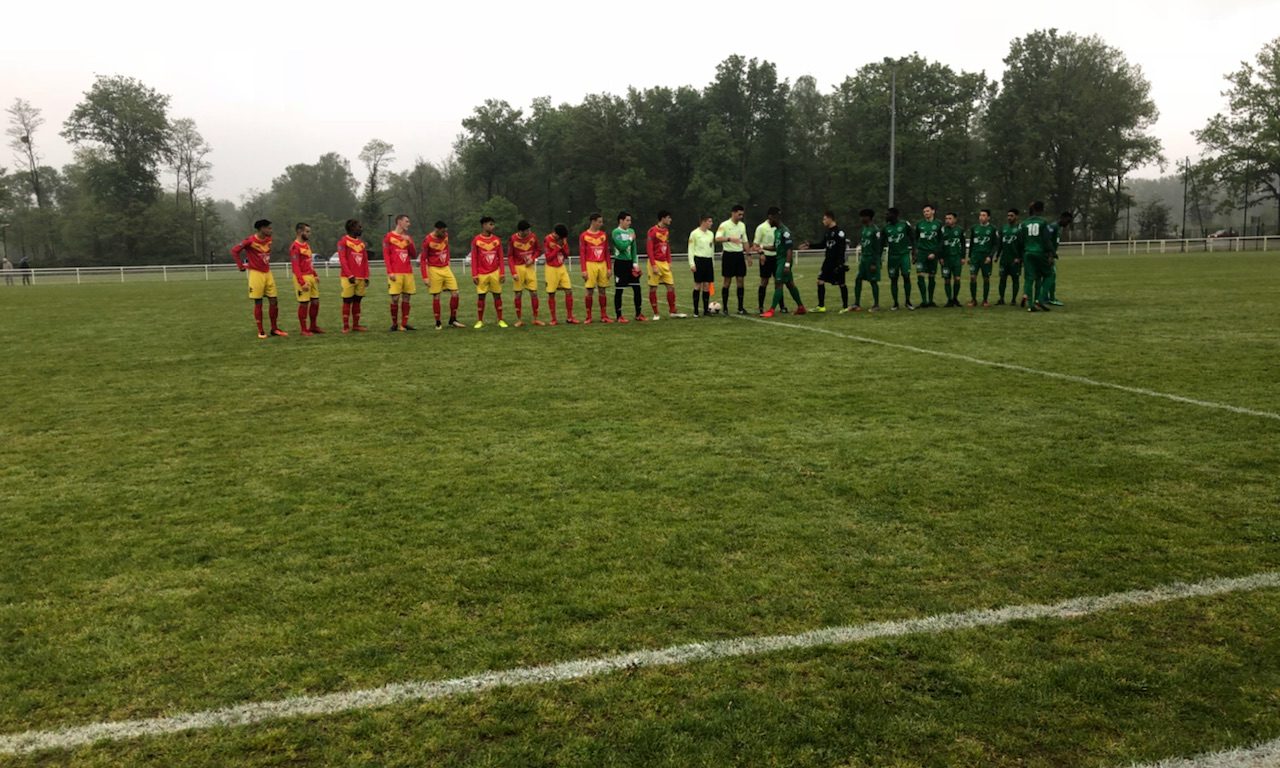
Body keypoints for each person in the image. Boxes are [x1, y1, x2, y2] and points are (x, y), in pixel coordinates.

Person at [231, 218, 286, 338]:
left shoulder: (269, 240)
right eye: (269, 228)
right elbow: (234, 251)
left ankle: (274, 329)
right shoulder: (249, 241)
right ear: (262, 229)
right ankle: (261, 331)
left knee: (274, 300)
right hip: (256, 274)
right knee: (258, 302)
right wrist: (240, 266)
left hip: (268, 273)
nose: (271, 230)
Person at [802, 210, 849, 312]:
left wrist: (840, 264)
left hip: (836, 262)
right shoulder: (827, 232)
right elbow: (822, 244)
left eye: (824, 219)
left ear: (830, 218)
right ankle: (821, 306)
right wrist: (810, 245)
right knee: (820, 281)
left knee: (841, 283)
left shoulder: (839, 232)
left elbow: (842, 249)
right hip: (827, 262)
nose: (823, 221)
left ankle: (845, 307)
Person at [760, 217, 807, 318]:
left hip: (784, 261)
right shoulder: (776, 231)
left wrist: (787, 264)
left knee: (778, 284)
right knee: (790, 284)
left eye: (770, 219)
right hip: (779, 260)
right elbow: (775, 247)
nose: (769, 222)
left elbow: (789, 249)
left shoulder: (785, 232)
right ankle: (801, 307)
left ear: (774, 217)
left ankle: (771, 310)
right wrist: (762, 247)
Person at [422, 221, 465, 329]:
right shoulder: (428, 240)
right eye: (443, 231)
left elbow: (446, 248)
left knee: (455, 293)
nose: (445, 233)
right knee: (437, 295)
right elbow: (423, 259)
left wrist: (448, 260)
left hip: (446, 268)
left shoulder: (445, 236)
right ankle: (438, 322)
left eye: (446, 231)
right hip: (434, 269)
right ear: (436, 229)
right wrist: (425, 277)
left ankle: (453, 320)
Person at [471, 216, 508, 329]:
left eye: (493, 224)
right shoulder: (476, 240)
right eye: (490, 224)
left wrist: (502, 272)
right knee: (481, 297)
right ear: (484, 225)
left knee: (497, 296)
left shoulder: (497, 240)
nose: (492, 226)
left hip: (495, 272)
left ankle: (500, 320)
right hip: (481, 273)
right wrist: (474, 274)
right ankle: (480, 321)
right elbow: (474, 258)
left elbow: (501, 257)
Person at [646, 210, 682, 319]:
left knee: (671, 287)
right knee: (653, 288)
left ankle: (672, 311)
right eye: (668, 218)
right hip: (655, 262)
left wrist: (669, 261)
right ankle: (656, 313)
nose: (670, 220)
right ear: (663, 218)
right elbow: (649, 249)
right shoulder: (652, 231)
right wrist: (653, 265)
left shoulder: (666, 231)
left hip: (664, 263)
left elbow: (667, 247)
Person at [508, 219, 544, 327]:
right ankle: (519, 320)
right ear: (521, 231)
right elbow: (510, 256)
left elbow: (538, 250)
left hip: (530, 268)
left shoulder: (533, 237)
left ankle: (535, 319)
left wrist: (532, 258)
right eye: (527, 230)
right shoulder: (513, 239)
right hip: (518, 268)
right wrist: (513, 272)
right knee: (518, 294)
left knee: (534, 293)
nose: (529, 231)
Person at [383, 214, 417, 331]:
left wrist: (410, 242)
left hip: (408, 272)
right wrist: (390, 272)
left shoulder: (408, 238)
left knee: (407, 297)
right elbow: (386, 256)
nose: (409, 224)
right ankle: (394, 324)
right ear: (399, 222)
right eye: (407, 221)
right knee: (395, 298)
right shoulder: (389, 237)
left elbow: (413, 254)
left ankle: (404, 323)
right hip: (395, 272)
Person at [611, 211, 646, 323]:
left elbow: (634, 249)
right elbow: (621, 247)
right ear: (621, 220)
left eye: (630, 220)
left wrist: (635, 263)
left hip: (630, 264)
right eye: (627, 220)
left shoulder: (631, 231)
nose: (629, 223)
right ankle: (619, 315)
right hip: (620, 264)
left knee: (637, 288)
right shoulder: (616, 232)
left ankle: (638, 314)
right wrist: (630, 239)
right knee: (619, 290)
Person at [289, 222, 324, 335]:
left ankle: (313, 326)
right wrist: (301, 282)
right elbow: (296, 266)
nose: (309, 234)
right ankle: (303, 329)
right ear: (300, 232)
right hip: (302, 277)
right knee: (304, 303)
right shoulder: (295, 247)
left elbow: (309, 262)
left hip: (310, 276)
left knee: (315, 302)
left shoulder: (307, 245)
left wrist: (315, 274)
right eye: (307, 231)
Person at [1019, 201, 1054, 312]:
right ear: (1041, 210)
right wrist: (1051, 253)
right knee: (1049, 275)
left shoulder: (1023, 223)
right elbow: (1046, 240)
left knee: (1029, 279)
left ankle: (1030, 305)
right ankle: (1040, 300)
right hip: (1039, 252)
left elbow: (1020, 240)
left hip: (1027, 253)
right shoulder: (1043, 222)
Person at [337, 219, 371, 332]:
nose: (361, 229)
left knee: (357, 300)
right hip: (348, 277)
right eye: (359, 227)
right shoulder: (343, 241)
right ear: (352, 228)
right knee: (347, 300)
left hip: (361, 277)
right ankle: (346, 326)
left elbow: (365, 261)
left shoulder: (361, 244)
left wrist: (366, 276)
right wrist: (349, 275)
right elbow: (342, 259)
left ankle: (356, 325)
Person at [715, 204, 750, 315]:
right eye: (739, 214)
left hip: (739, 255)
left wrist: (748, 255)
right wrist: (730, 239)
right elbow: (717, 238)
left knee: (740, 281)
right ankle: (725, 308)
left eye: (742, 215)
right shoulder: (724, 225)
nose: (741, 217)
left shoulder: (742, 226)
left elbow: (745, 241)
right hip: (728, 256)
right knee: (727, 282)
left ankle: (740, 307)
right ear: (733, 213)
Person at [753, 208, 788, 314]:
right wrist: (761, 253)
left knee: (778, 281)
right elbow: (755, 245)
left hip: (777, 258)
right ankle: (760, 307)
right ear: (770, 216)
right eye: (776, 215)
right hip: (766, 258)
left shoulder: (779, 228)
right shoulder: (761, 228)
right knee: (764, 281)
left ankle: (782, 306)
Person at [579, 213, 612, 324]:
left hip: (602, 264)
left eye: (601, 222)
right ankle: (589, 316)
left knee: (603, 290)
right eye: (599, 221)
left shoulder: (603, 235)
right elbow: (582, 253)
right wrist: (584, 269)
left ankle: (604, 315)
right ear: (593, 221)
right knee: (589, 291)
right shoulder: (584, 235)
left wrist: (609, 267)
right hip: (590, 264)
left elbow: (607, 252)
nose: (601, 224)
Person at [543, 224, 579, 325]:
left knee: (569, 291)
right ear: (556, 234)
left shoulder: (563, 239)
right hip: (551, 268)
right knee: (551, 293)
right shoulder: (547, 239)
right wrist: (557, 248)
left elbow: (567, 255)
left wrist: (562, 247)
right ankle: (553, 319)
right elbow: (548, 257)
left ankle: (570, 317)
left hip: (561, 267)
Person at [882, 207, 915, 311]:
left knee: (906, 276)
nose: (886, 216)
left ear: (895, 215)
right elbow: (880, 244)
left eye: (888, 214)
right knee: (893, 279)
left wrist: (915, 251)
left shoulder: (905, 224)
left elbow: (913, 238)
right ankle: (895, 303)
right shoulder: (885, 228)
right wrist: (878, 258)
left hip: (904, 255)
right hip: (892, 257)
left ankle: (908, 301)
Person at [851, 208, 882, 312]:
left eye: (863, 217)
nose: (861, 219)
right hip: (864, 259)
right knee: (858, 279)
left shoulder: (875, 230)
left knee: (873, 281)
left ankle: (876, 305)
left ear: (868, 217)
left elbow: (878, 248)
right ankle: (856, 303)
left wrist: (874, 263)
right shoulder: (864, 229)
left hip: (872, 259)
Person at [967, 209, 998, 307]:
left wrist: (990, 256)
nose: (981, 217)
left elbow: (995, 245)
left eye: (984, 215)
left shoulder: (993, 229)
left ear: (988, 217)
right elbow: (971, 243)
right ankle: (973, 300)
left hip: (986, 258)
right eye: (980, 215)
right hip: (975, 257)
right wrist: (969, 256)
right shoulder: (974, 228)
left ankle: (985, 300)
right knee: (972, 277)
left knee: (986, 278)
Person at [914, 204, 942, 307]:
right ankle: (924, 301)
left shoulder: (938, 224)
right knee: (920, 275)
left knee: (931, 276)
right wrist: (916, 251)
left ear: (933, 211)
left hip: (933, 254)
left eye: (928, 211)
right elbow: (915, 239)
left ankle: (931, 301)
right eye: (924, 212)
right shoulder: (919, 224)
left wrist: (935, 253)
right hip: (921, 254)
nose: (926, 213)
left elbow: (941, 241)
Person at [688, 215, 716, 317]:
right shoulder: (694, 233)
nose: (711, 223)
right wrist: (692, 263)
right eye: (709, 221)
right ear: (703, 222)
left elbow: (712, 249)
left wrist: (712, 262)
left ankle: (706, 310)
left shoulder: (711, 234)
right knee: (697, 285)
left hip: (708, 261)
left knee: (707, 286)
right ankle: (695, 310)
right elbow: (690, 249)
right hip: (698, 260)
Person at [1042, 211, 1072, 307]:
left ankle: (1046, 297)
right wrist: (1050, 255)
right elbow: (1047, 240)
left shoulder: (1058, 228)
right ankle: (1050, 298)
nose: (1068, 224)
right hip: (1047, 255)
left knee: (1048, 276)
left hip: (1050, 255)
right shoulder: (1053, 226)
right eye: (1067, 221)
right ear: (1062, 218)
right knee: (1051, 276)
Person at [996, 209, 1022, 306]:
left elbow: (1022, 245)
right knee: (1002, 279)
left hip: (1015, 260)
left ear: (1016, 216)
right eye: (1008, 216)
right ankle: (1001, 299)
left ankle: (1013, 300)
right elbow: (1000, 244)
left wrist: (1019, 258)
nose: (1009, 218)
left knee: (1015, 280)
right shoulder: (1003, 228)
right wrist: (997, 256)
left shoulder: (1020, 228)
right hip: (1004, 259)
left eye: (1011, 216)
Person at [940, 212, 965, 307]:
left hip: (957, 258)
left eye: (950, 218)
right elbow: (940, 245)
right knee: (947, 280)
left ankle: (955, 298)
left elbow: (963, 245)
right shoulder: (942, 230)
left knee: (957, 279)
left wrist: (963, 257)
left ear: (955, 219)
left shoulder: (960, 230)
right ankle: (949, 299)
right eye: (946, 218)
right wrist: (941, 257)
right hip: (946, 259)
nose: (947, 220)